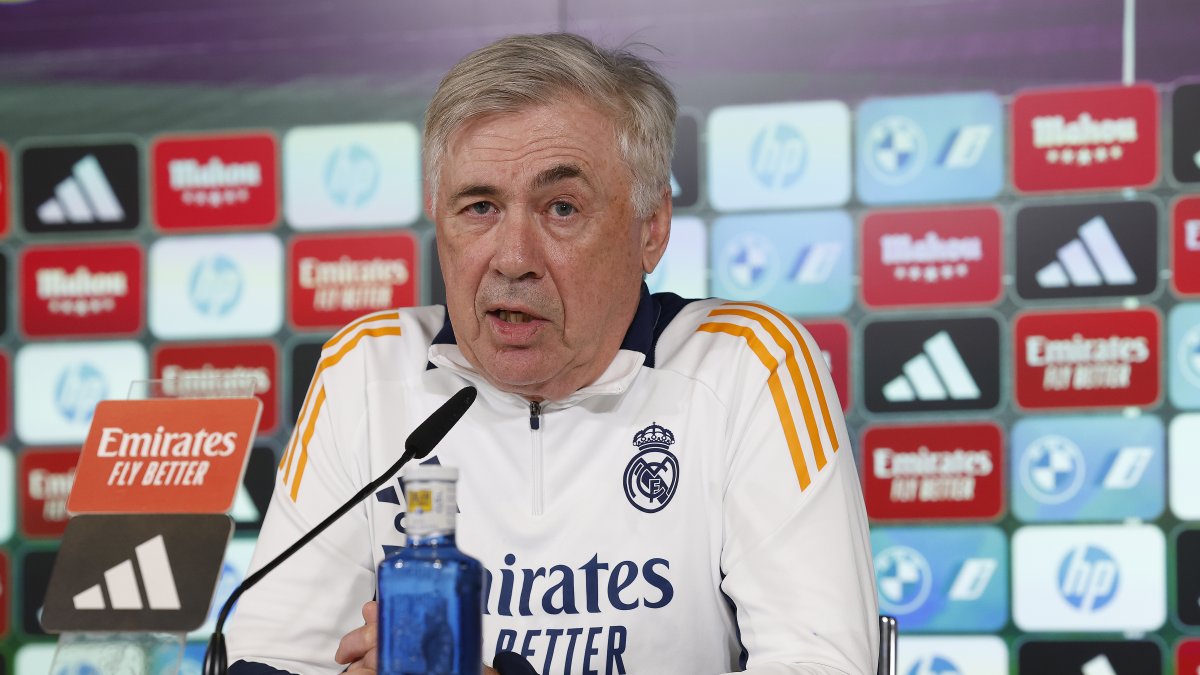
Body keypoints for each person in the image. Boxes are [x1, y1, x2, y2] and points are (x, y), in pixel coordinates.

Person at [227, 32, 878, 675]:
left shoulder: (746, 364)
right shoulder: (366, 370)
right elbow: (263, 661)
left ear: (651, 228)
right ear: (438, 220)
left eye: (561, 208)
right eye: (479, 207)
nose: (513, 258)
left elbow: (820, 665)